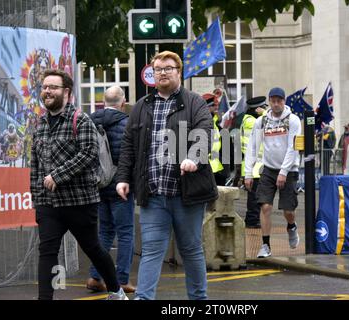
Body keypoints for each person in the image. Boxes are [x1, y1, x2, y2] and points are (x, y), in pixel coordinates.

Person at [115, 51, 217, 300]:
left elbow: (205, 131)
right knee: (151, 250)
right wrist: (122, 177)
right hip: (153, 194)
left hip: (187, 194)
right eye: (158, 69)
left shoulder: (194, 102)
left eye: (168, 68)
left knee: (191, 250)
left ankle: (198, 300)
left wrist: (194, 157)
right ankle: (143, 297)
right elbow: (129, 145)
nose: (162, 72)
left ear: (178, 72)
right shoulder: (141, 106)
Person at [30, 69, 127, 300]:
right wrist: (37, 198)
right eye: (44, 87)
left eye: (52, 87)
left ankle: (116, 290)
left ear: (66, 92)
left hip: (79, 202)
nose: (47, 91)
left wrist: (57, 176)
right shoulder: (41, 123)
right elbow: (35, 164)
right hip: (48, 204)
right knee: (47, 252)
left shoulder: (80, 119)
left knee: (93, 248)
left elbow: (88, 154)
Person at [87, 86, 136, 294]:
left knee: (104, 232)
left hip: (98, 185)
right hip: (120, 186)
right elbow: (130, 157)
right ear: (123, 102)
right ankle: (122, 279)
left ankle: (95, 276)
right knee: (125, 233)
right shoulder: (128, 123)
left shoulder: (89, 121)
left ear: (102, 102)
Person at [245, 87, 301, 258]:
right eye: (273, 101)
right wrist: (248, 173)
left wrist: (284, 172)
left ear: (284, 101)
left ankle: (291, 226)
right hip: (268, 169)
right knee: (265, 207)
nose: (276, 104)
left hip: (289, 169)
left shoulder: (293, 120)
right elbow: (252, 147)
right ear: (269, 101)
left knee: (288, 210)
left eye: (279, 101)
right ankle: (266, 245)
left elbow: (293, 148)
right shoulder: (261, 122)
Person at [240, 96, 267, 228]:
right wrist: (266, 114)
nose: (265, 109)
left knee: (256, 195)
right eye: (264, 107)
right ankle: (252, 220)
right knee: (254, 196)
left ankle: (253, 219)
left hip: (256, 164)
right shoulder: (251, 121)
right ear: (257, 109)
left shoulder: (250, 119)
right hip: (254, 164)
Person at [203, 93, 228, 186]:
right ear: (207, 108)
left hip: (216, 166)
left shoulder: (214, 122)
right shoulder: (204, 122)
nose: (216, 108)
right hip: (207, 168)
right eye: (213, 105)